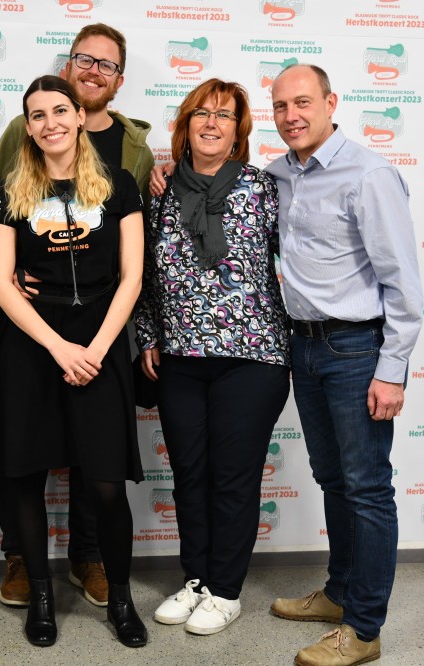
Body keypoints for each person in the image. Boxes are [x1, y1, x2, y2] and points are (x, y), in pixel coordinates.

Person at [0, 22, 154, 610]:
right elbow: (0, 283)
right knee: (24, 475)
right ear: (27, 128)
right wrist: (59, 348)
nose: (50, 122)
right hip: (32, 343)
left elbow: (133, 276)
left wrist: (96, 351)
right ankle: (41, 598)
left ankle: (120, 599)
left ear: (80, 116)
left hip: (100, 341)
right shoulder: (11, 189)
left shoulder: (120, 184)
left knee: (105, 483)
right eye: (38, 115)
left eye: (60, 110)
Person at [266, 64, 422, 666]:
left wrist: (392, 369)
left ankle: (363, 628)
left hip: (358, 351)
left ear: (331, 103)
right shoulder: (278, 174)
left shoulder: (369, 174)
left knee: (367, 489)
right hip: (304, 347)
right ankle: (338, 594)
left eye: (303, 103)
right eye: (280, 106)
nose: (291, 116)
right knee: (333, 479)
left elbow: (402, 282)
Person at [134, 79, 290, 636]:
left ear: (238, 131)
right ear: (185, 124)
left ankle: (226, 590)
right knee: (189, 475)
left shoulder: (263, 188)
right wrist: (148, 335)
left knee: (233, 478)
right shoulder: (159, 192)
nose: (211, 122)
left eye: (224, 115)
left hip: (253, 356)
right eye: (201, 112)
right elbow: (144, 274)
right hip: (180, 357)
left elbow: (300, 258)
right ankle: (196, 579)